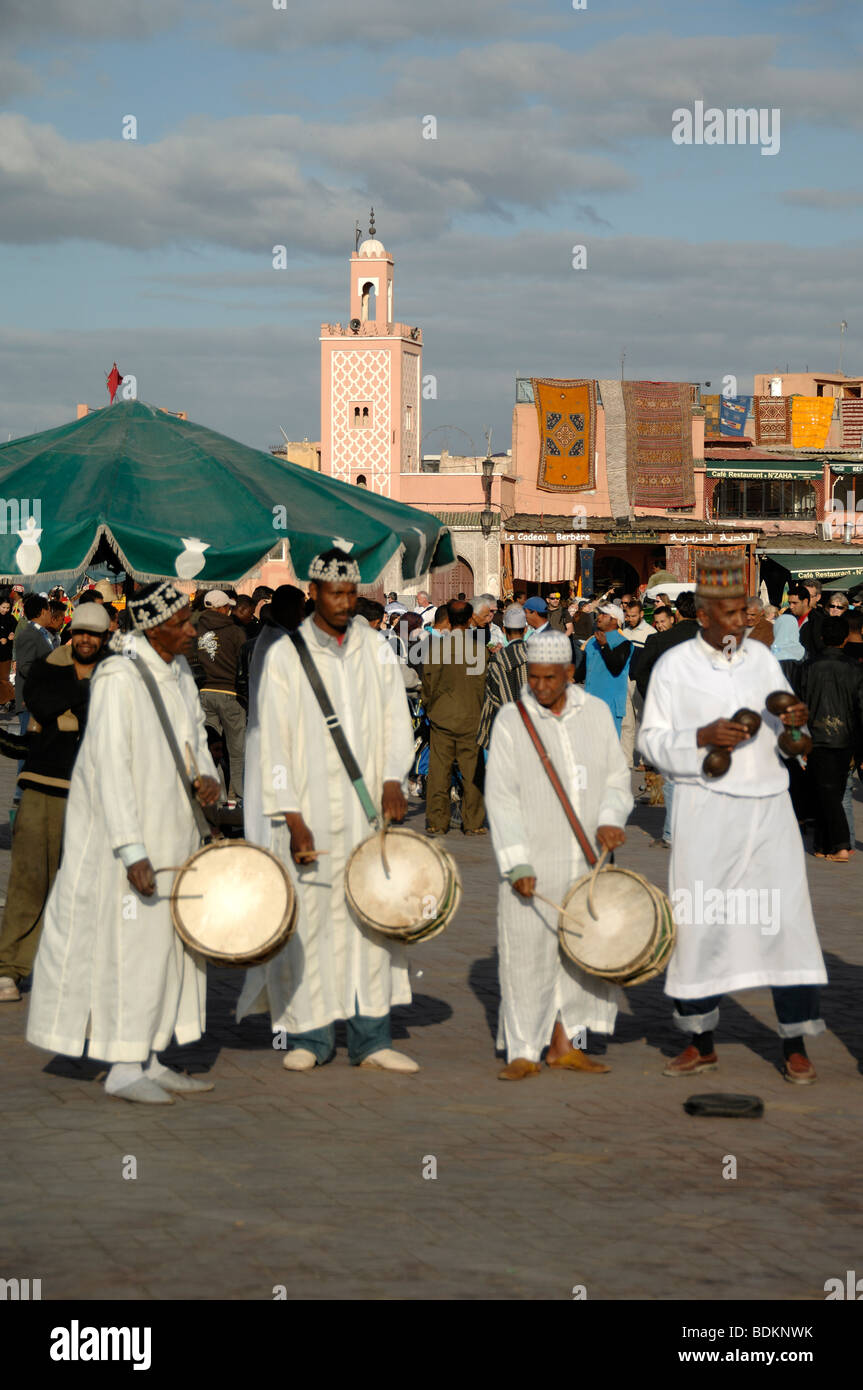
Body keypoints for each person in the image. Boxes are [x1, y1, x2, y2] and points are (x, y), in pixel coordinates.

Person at [26, 581, 222, 1103]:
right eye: (182, 623)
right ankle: (122, 1065)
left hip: (175, 832)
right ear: (153, 628)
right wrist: (132, 851)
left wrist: (208, 776)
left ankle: (152, 1056)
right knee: (130, 952)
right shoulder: (119, 678)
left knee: (167, 952)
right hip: (128, 845)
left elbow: (195, 735)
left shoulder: (178, 671)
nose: (191, 630)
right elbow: (110, 769)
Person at [638, 553, 828, 1085]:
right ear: (701, 614)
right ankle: (701, 1042)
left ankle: (794, 1043)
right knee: (701, 922)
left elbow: (792, 744)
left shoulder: (764, 661)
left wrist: (795, 727)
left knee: (786, 921)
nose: (738, 622)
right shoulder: (676, 667)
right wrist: (701, 737)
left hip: (768, 809)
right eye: (727, 613)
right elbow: (650, 742)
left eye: (743, 612)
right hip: (706, 809)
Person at [236, 549, 418, 1074]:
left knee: (371, 921)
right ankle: (311, 1037)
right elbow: (271, 743)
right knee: (310, 925)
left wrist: (392, 777)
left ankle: (371, 1039)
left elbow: (395, 720)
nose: (344, 603)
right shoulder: (286, 657)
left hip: (365, 817)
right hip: (308, 815)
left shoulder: (376, 648)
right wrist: (290, 816)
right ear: (313, 593)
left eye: (350, 593)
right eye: (334, 594)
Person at [486, 629, 633, 1080]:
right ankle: (523, 1050)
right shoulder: (512, 720)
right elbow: (501, 798)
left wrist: (611, 817)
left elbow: (616, 775)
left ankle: (564, 1044)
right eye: (534, 678)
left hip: (587, 858)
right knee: (526, 954)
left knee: (579, 955)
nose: (542, 687)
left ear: (570, 673)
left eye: (551, 678)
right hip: (533, 858)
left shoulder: (594, 713)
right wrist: (516, 862)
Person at [0, 604, 110, 1004]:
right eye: (80, 632)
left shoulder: (115, 671)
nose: (85, 640)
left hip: (96, 793)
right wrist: (83, 704)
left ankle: (74, 968)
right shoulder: (49, 665)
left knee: (87, 887)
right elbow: (43, 703)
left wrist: (70, 714)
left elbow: (111, 714)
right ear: (72, 631)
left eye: (93, 635)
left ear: (102, 638)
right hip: (45, 784)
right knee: (29, 880)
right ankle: (10, 968)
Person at [795, 614, 863, 862]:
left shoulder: (808, 667)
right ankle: (824, 845)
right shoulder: (855, 669)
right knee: (828, 789)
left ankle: (841, 844)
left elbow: (798, 706)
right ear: (846, 639)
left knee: (825, 790)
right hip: (845, 737)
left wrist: (797, 739)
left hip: (817, 736)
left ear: (822, 638)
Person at [422, 599, 487, 835]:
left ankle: (438, 821)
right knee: (472, 773)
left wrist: (431, 707)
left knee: (440, 771)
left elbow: (428, 684)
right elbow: (483, 685)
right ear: (470, 620)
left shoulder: (437, 649)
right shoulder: (480, 650)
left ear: (448, 620)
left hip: (442, 717)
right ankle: (474, 823)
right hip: (472, 716)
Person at [196, 589, 247, 804]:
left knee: (209, 750)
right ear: (223, 608)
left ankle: (214, 798)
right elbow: (243, 665)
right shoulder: (236, 632)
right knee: (237, 751)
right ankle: (239, 798)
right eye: (229, 607)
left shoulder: (194, 629)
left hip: (203, 693)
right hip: (229, 694)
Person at [477, 604, 529, 750]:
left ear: (504, 630)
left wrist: (484, 735)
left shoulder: (498, 660)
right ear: (525, 630)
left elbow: (491, 697)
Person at [582, 604, 632, 738]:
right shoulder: (592, 641)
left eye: (604, 615)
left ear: (614, 620)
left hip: (609, 705)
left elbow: (616, 668)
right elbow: (581, 671)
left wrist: (604, 646)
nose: (599, 617)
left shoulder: (624, 643)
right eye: (599, 614)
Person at [620, 599, 655, 768]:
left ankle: (644, 760)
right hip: (624, 680)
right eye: (628, 616)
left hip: (639, 681)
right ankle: (626, 760)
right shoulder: (624, 632)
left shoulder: (650, 632)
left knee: (642, 720)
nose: (630, 619)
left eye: (633, 616)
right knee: (626, 722)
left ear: (641, 614)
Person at [788, 583, 824, 660]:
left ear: (805, 601)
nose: (791, 606)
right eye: (789, 603)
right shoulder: (787, 616)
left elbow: (818, 647)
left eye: (794, 603)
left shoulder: (817, 620)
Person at [0, 589, 16, 709]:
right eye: (3, 607)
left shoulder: (11, 619)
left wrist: (12, 635)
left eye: (7, 607)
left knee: (4, 678)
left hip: (6, 654)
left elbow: (16, 631)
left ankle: (12, 697)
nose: (5, 610)